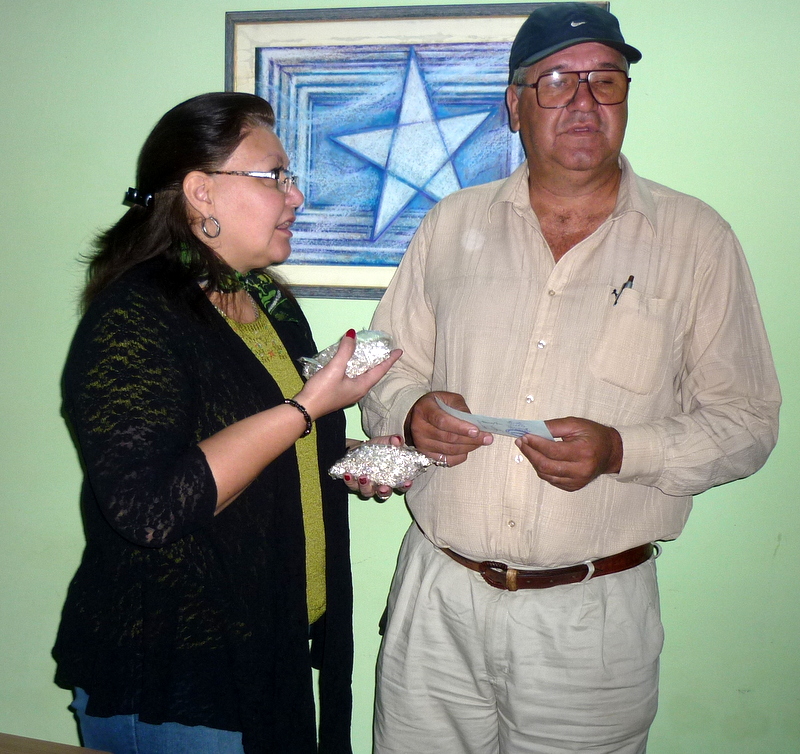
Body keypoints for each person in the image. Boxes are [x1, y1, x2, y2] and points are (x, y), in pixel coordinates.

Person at [361, 4, 781, 753]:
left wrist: (623, 451)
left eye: (605, 80)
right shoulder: (450, 225)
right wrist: (410, 411)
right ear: (514, 105)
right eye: (556, 81)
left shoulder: (697, 240)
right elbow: (385, 366)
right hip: (437, 599)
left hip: (593, 620)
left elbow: (748, 422)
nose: (584, 101)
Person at [53, 91, 404, 754]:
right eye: (275, 177)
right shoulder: (133, 317)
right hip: (176, 676)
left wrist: (349, 455)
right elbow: (151, 508)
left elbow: (256, 447)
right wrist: (305, 409)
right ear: (200, 191)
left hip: (269, 651)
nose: (296, 196)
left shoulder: (267, 302)